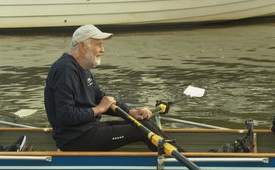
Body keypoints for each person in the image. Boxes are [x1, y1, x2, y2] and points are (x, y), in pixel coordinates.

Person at [44, 24, 184, 152]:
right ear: (82, 46)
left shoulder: (82, 68)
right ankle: (185, 161)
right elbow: (65, 116)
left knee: (145, 122)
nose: (102, 50)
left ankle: (184, 156)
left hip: (89, 129)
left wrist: (131, 112)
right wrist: (99, 109)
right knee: (143, 130)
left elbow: (101, 98)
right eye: (98, 44)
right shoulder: (65, 69)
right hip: (75, 139)